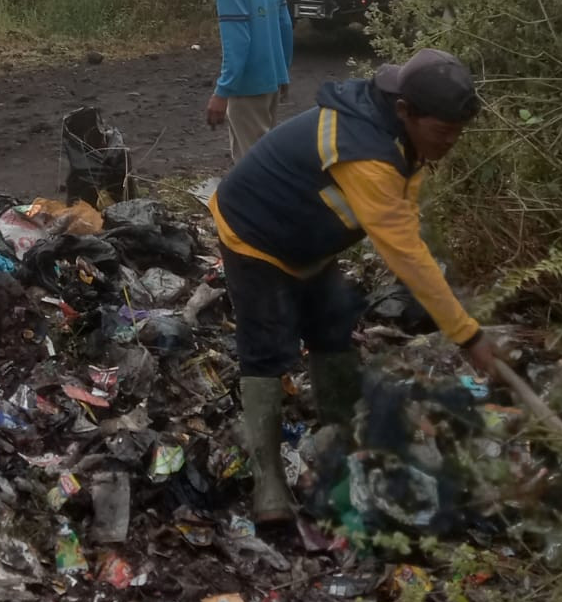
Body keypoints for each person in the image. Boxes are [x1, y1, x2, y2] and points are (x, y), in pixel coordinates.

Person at [208, 48, 501, 525]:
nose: (450, 142)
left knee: (333, 321)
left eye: (457, 132)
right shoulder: (366, 154)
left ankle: (341, 438)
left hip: (308, 239)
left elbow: (405, 215)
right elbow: (404, 251)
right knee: (265, 346)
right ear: (406, 111)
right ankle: (269, 481)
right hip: (255, 231)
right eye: (443, 131)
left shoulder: (398, 127)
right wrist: (468, 335)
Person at [199, 0, 294, 161]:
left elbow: (237, 41)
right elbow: (285, 25)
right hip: (271, 81)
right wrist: (283, 72)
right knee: (266, 156)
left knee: (252, 165)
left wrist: (222, 92)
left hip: (248, 87)